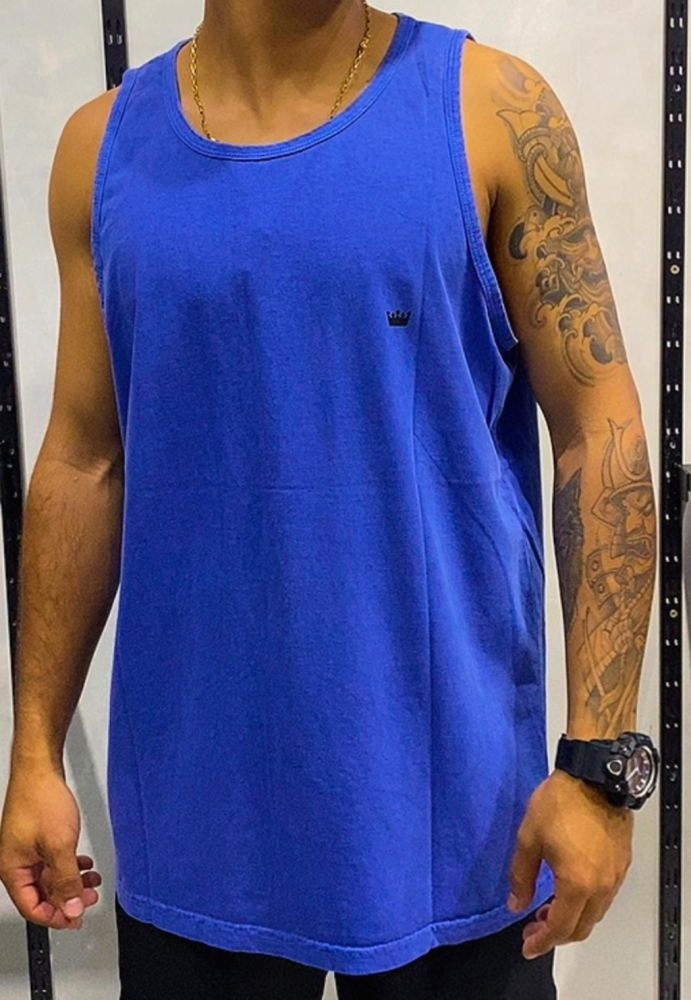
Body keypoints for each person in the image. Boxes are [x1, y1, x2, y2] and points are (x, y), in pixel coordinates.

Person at [0, 1, 659, 998]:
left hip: (458, 824)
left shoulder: (490, 111)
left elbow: (597, 433)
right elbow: (85, 459)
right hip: (198, 822)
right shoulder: (100, 152)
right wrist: (35, 751)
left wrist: (600, 764)